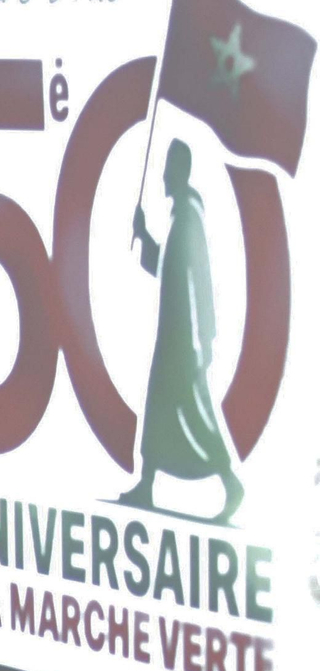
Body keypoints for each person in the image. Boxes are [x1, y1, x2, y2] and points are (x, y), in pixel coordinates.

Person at [124, 138, 244, 523]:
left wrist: (205, 338)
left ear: (179, 171)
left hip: (183, 340)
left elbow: (201, 279)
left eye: (167, 169)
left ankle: (230, 481)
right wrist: (144, 237)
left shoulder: (189, 217)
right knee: (159, 410)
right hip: (172, 336)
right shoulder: (179, 217)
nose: (161, 177)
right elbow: (169, 271)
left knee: (195, 412)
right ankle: (146, 482)